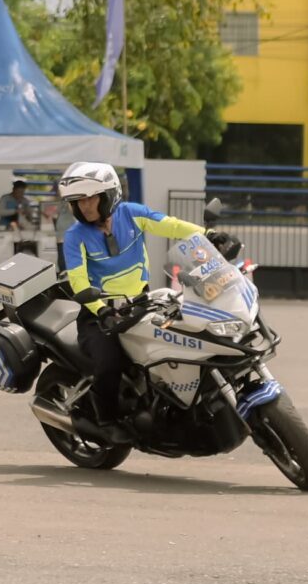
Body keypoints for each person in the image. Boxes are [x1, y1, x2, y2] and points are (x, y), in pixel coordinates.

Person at [57, 161, 209, 439]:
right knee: (110, 361)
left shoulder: (132, 214)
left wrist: (207, 235)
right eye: (78, 201)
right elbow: (79, 281)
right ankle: (106, 421)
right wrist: (101, 311)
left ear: (109, 195)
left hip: (141, 304)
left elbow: (172, 227)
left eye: (90, 198)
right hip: (99, 316)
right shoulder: (75, 236)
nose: (85, 207)